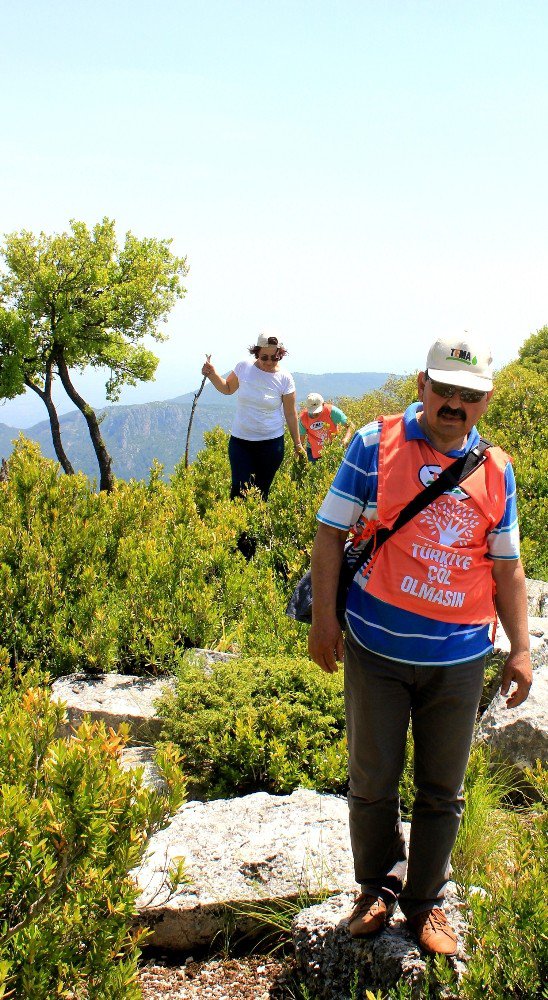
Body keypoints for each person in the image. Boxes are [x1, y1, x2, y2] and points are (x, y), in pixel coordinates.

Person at [308, 335, 532, 956]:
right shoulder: (372, 444)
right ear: (421, 387)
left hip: (458, 658)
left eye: (469, 395)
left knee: (443, 789)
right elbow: (329, 534)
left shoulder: (496, 470)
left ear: (484, 401)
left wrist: (521, 648)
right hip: (377, 648)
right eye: (444, 390)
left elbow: (507, 567)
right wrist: (324, 620)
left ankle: (425, 902)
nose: (454, 404)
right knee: (373, 778)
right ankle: (376, 888)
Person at [201, 332, 305, 501]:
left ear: (280, 354)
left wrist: (297, 444)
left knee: (261, 491)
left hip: (271, 444)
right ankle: (236, 527)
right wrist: (212, 374)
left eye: (275, 357)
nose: (270, 362)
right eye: (264, 357)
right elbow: (228, 388)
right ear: (256, 353)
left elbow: (290, 413)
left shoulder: (285, 378)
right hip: (241, 442)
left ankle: (255, 527)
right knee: (239, 491)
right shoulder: (244, 367)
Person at [299, 393, 354, 462]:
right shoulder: (303, 418)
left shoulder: (332, 411)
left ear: (323, 404)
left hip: (333, 448)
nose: (315, 414)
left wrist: (346, 439)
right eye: (312, 411)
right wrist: (301, 454)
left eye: (317, 411)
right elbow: (301, 440)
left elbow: (351, 425)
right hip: (312, 450)